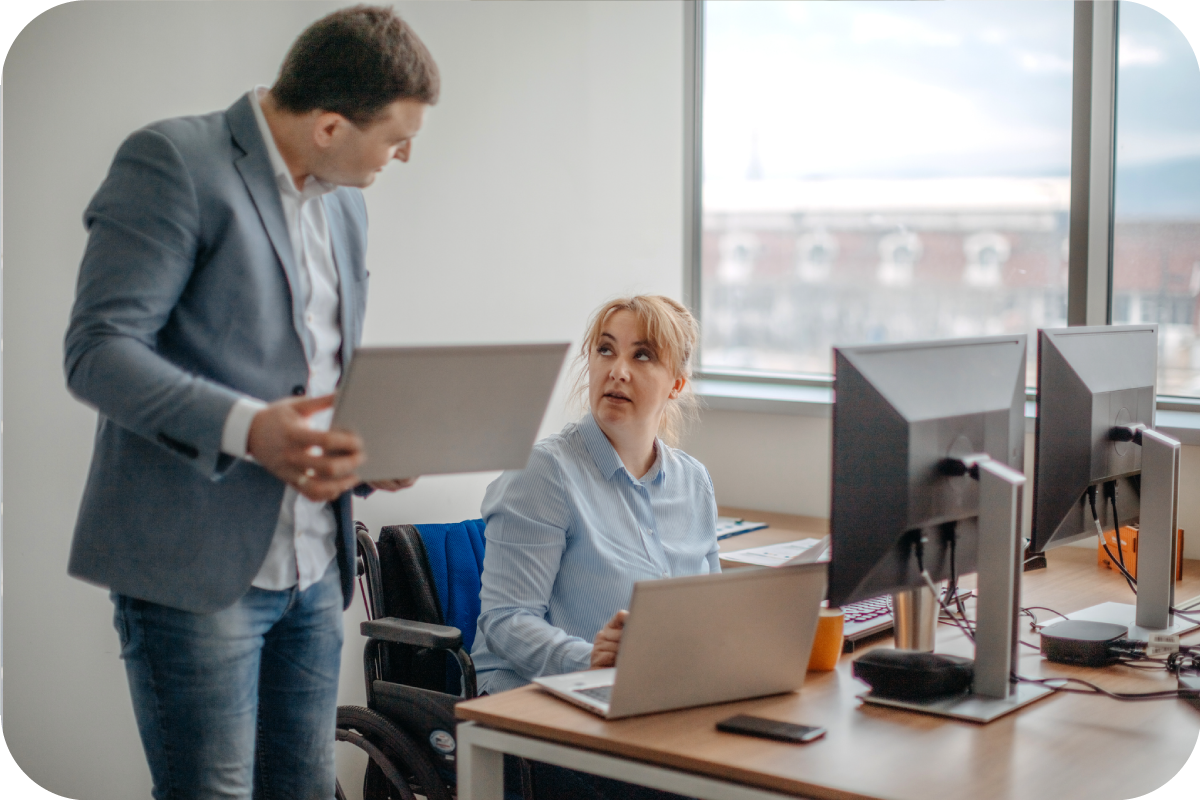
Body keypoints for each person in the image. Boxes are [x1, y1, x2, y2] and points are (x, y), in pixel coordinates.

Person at [63, 7, 436, 798]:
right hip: (193, 574)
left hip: (313, 568)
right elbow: (100, 353)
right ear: (331, 125)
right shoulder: (173, 161)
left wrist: (365, 453)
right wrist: (247, 431)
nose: (406, 154)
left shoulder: (346, 202)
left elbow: (312, 378)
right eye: (398, 136)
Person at [471, 295, 719, 800]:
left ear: (677, 384)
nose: (618, 371)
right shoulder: (544, 473)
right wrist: (590, 661)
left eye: (642, 355)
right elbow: (504, 620)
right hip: (545, 710)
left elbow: (707, 614)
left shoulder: (693, 482)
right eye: (605, 351)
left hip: (651, 704)